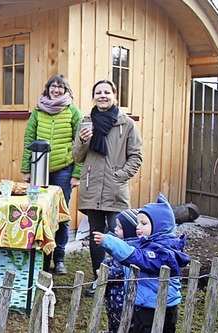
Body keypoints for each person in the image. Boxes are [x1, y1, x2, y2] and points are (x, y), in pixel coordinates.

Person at [73, 79, 143, 295]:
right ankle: (98, 278)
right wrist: (84, 141)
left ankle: (118, 276)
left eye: (107, 92)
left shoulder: (127, 124)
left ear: (114, 96)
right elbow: (77, 156)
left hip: (115, 189)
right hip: (91, 186)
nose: (102, 96)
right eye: (98, 92)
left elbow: (136, 156)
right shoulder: (86, 121)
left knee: (118, 233)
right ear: (93, 96)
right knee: (95, 235)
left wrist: (119, 176)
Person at [93, 193, 190, 333]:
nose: (138, 227)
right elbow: (128, 243)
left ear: (160, 226)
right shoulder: (148, 244)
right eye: (138, 223)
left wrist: (109, 242)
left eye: (143, 223)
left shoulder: (164, 252)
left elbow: (136, 256)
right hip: (144, 304)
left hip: (158, 307)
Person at [21, 74, 83, 275]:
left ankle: (60, 257)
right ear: (47, 89)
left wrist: (77, 173)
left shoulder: (72, 111)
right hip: (39, 170)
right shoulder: (38, 111)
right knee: (39, 212)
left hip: (63, 170)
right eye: (53, 87)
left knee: (61, 215)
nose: (56, 90)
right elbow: (29, 138)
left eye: (61, 87)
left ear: (66, 91)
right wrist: (26, 169)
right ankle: (42, 257)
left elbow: (81, 145)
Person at [102, 208, 139, 333]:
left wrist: (104, 273)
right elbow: (109, 260)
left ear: (130, 231)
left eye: (120, 227)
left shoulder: (128, 251)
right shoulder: (119, 245)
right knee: (112, 317)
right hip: (113, 297)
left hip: (121, 297)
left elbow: (119, 271)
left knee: (121, 321)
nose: (115, 229)